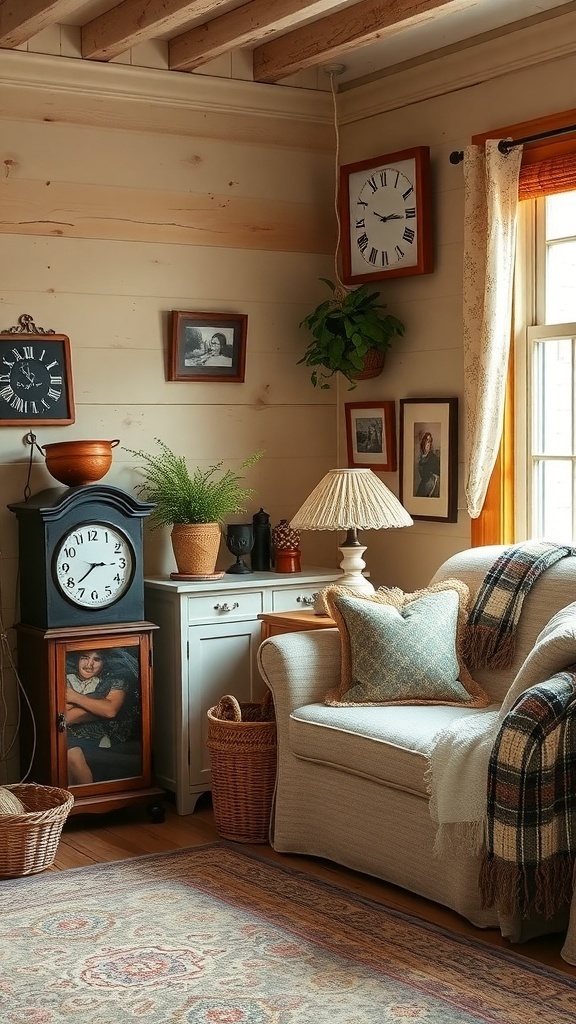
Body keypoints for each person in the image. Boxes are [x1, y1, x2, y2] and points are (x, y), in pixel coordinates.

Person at [66, 648, 141, 786]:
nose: (90, 664)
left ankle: (89, 800)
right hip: (66, 732)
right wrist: (95, 707)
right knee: (68, 753)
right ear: (77, 660)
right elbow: (66, 716)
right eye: (84, 657)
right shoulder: (67, 679)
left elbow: (109, 710)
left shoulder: (106, 682)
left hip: (98, 735)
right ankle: (70, 803)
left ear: (103, 663)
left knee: (72, 754)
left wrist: (74, 697)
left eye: (97, 659)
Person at [415, 431, 441, 497]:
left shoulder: (433, 457)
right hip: (423, 484)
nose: (428, 444)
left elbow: (437, 474)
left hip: (431, 484)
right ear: (423, 442)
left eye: (430, 442)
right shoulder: (421, 457)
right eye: (427, 441)